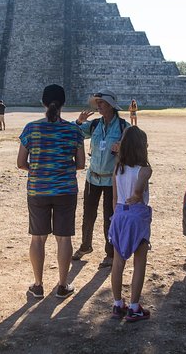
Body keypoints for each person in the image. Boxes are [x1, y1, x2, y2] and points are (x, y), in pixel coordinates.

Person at [17, 84, 85, 299]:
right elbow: (81, 164)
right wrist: (60, 169)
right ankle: (63, 285)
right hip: (65, 189)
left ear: (43, 102)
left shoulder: (31, 128)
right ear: (63, 103)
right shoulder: (74, 130)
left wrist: (39, 169)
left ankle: (38, 285)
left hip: (38, 189)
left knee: (38, 238)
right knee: (63, 239)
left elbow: (20, 163)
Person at [72, 89, 129, 268]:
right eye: (97, 103)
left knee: (110, 216)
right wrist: (78, 122)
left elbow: (139, 146)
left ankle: (110, 253)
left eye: (102, 103)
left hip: (112, 180)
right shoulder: (94, 125)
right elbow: (76, 133)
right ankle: (86, 245)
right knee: (88, 215)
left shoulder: (123, 127)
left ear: (111, 106)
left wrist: (123, 148)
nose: (98, 106)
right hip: (93, 177)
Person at [109, 126, 153, 322]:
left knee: (118, 263)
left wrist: (115, 216)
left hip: (119, 214)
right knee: (139, 261)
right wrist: (136, 196)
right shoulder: (144, 170)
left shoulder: (118, 169)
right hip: (137, 215)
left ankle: (118, 304)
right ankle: (134, 306)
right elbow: (138, 194)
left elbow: (115, 197)